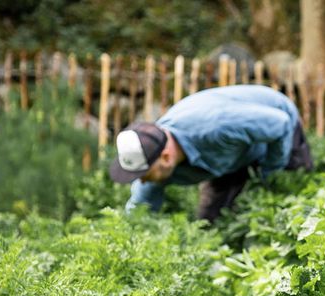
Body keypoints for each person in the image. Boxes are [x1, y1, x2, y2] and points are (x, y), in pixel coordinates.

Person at [109, 84, 313, 222]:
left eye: (144, 175)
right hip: (227, 156)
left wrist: (270, 173)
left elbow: (280, 123)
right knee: (211, 221)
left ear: (166, 157)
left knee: (289, 203)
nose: (142, 181)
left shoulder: (216, 126)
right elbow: (140, 207)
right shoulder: (155, 155)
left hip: (273, 127)